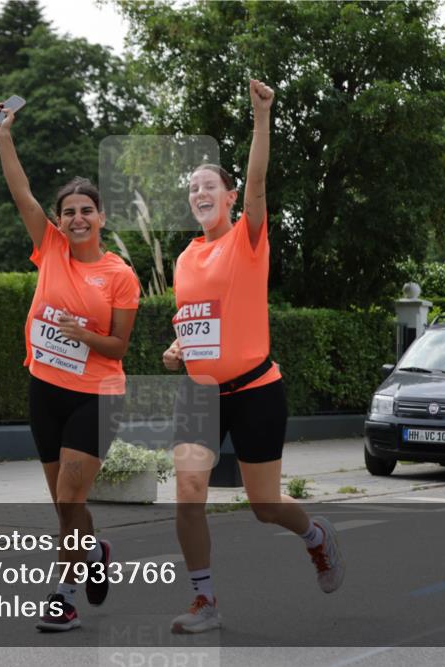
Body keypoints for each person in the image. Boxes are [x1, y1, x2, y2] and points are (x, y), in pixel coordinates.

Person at [162, 80, 345, 634]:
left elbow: (260, 177)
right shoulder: (183, 259)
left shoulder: (248, 238)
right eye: (193, 187)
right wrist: (178, 348)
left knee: (264, 505)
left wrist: (261, 118)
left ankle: (315, 536)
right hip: (199, 393)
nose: (200, 193)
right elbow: (198, 324)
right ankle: (206, 602)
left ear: (231, 196)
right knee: (189, 491)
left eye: (210, 185)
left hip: (257, 389)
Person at [0, 101, 141, 632]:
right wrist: (5, 137)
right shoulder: (49, 247)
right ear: (60, 220)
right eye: (69, 211)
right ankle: (94, 552)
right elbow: (20, 192)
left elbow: (119, 347)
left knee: (72, 496)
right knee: (63, 507)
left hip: (97, 396)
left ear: (101, 218)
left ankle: (62, 595)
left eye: (86, 211)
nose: (77, 219)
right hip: (44, 389)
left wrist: (85, 336)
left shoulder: (120, 275)